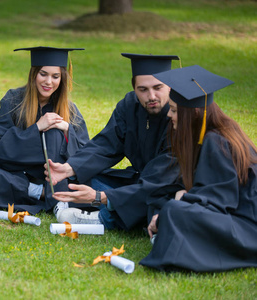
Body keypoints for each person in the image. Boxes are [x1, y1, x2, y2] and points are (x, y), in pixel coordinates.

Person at [139, 65, 257, 272]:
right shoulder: (219, 131)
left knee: (173, 210)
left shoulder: (216, 141)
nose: (169, 116)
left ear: (193, 113)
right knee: (165, 201)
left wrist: (181, 201)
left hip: (248, 230)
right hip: (240, 216)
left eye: (174, 110)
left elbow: (218, 201)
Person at [46, 53, 181, 230]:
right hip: (138, 181)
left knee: (154, 202)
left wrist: (99, 196)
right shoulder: (129, 106)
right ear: (134, 88)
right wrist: (69, 168)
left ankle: (103, 218)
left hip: (164, 186)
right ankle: (107, 206)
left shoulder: (178, 117)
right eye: (143, 90)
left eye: (158, 87)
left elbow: (159, 181)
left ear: (170, 86)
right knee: (83, 178)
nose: (151, 96)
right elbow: (106, 144)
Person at [0, 46, 89, 215]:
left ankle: (50, 195)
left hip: (56, 179)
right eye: (43, 74)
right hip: (19, 176)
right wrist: (36, 129)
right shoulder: (13, 100)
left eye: (55, 76)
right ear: (33, 74)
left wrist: (67, 130)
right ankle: (45, 194)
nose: (49, 82)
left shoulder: (69, 110)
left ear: (62, 79)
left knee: (54, 131)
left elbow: (85, 155)